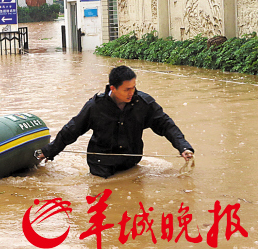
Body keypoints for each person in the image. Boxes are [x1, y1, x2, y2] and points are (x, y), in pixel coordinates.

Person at [39, 65, 194, 178]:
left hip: (130, 164)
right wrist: (49, 151)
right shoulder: (95, 107)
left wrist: (183, 147)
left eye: (134, 87)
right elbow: (72, 130)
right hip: (101, 166)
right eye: (127, 89)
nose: (132, 93)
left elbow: (166, 125)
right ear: (113, 88)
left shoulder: (143, 104)